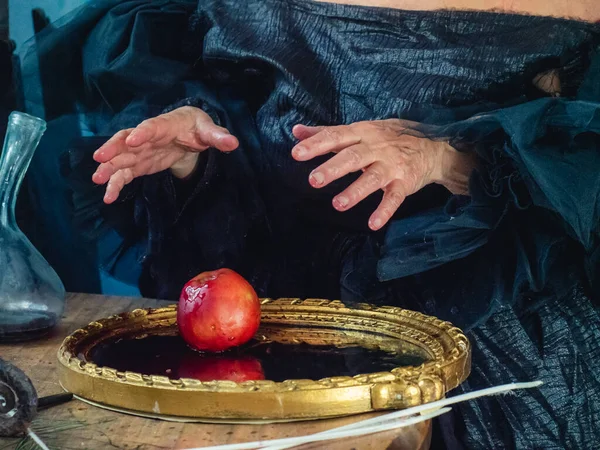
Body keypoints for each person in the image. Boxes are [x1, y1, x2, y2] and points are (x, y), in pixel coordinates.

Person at [21, 0, 600, 447]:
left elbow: (580, 153)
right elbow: (256, 121)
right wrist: (197, 146)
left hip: (488, 352)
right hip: (276, 342)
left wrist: (449, 154)